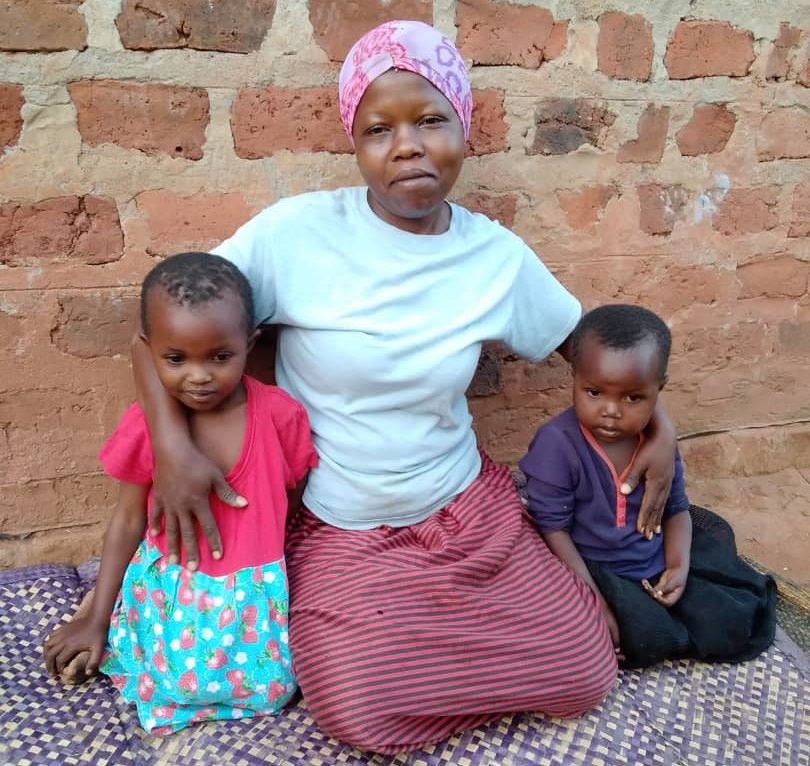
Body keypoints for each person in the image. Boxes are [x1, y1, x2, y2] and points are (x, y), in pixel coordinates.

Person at [125, 22, 681, 753]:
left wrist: (660, 428)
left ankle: (439, 647)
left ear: (464, 127)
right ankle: (424, 651)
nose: (407, 146)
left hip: (466, 510)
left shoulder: (492, 257)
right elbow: (156, 328)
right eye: (378, 129)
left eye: (429, 121)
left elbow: (591, 348)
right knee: (356, 713)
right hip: (345, 525)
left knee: (585, 673)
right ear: (355, 146)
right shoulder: (297, 236)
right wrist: (170, 445)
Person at [43, 253, 317, 734]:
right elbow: (128, 520)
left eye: (220, 356)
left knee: (272, 687)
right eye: (175, 359)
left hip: (255, 600)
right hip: (171, 594)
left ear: (249, 344)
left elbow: (291, 498)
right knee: (173, 680)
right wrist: (97, 620)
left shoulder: (279, 416)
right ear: (149, 352)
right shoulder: (147, 426)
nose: (198, 376)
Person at [519, 305, 776, 668]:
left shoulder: (657, 444)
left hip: (653, 561)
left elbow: (676, 508)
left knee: (732, 619)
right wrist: (592, 599)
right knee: (635, 635)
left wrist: (678, 566)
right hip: (594, 570)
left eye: (633, 398)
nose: (611, 410)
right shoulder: (557, 444)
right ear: (574, 378)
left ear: (659, 389)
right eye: (594, 392)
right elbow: (553, 528)